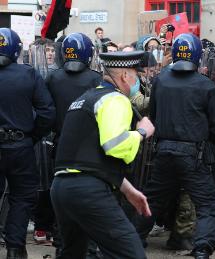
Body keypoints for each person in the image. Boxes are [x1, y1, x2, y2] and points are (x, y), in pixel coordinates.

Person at [50, 50, 155, 259]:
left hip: (61, 188)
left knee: (73, 254)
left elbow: (89, 158)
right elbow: (114, 145)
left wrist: (127, 189)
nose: (138, 81)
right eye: (136, 75)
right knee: (132, 254)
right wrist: (141, 132)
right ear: (125, 75)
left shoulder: (84, 99)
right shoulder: (116, 100)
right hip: (88, 191)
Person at [136, 33, 215, 259]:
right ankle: (203, 249)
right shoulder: (206, 86)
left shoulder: (161, 80)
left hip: (163, 151)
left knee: (153, 201)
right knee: (209, 205)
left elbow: (153, 115)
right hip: (191, 154)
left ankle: (130, 240)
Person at [41, 32, 102, 254]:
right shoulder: (96, 79)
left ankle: (61, 242)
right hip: (89, 147)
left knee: (61, 196)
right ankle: (87, 244)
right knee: (89, 194)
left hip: (60, 145)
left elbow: (46, 112)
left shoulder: (53, 78)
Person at [0, 28, 56, 259]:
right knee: (22, 197)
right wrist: (32, 136)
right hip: (19, 145)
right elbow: (47, 112)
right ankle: (15, 249)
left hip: (18, 143)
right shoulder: (28, 74)